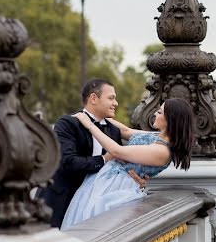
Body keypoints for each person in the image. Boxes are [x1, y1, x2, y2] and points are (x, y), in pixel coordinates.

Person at [60, 97, 194, 230]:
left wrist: (89, 125)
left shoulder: (162, 151)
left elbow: (116, 151)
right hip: (106, 179)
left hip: (116, 186)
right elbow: (126, 131)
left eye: (159, 112)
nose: (154, 114)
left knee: (93, 224)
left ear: (170, 120)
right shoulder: (156, 137)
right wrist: (96, 114)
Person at [39, 78, 130, 228]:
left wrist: (132, 172)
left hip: (91, 205)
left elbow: (118, 163)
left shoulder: (113, 130)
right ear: (94, 98)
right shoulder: (67, 123)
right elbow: (68, 163)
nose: (116, 103)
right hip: (60, 202)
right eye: (111, 98)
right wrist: (103, 159)